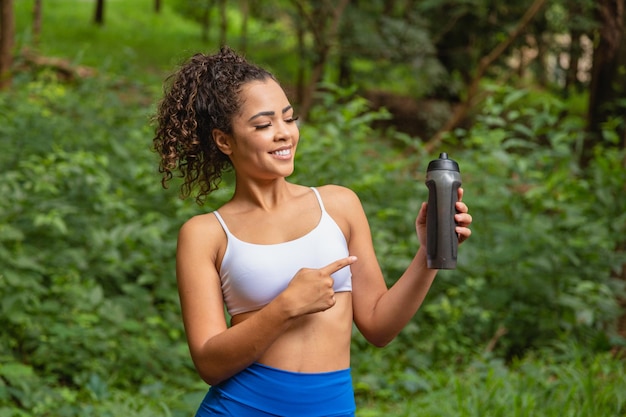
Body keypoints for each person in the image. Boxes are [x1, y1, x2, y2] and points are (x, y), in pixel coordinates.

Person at [152, 46, 472, 417]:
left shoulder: (338, 206)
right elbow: (209, 363)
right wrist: (286, 306)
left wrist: (430, 251)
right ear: (225, 140)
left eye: (289, 119)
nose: (283, 134)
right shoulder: (206, 234)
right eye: (263, 125)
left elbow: (379, 327)